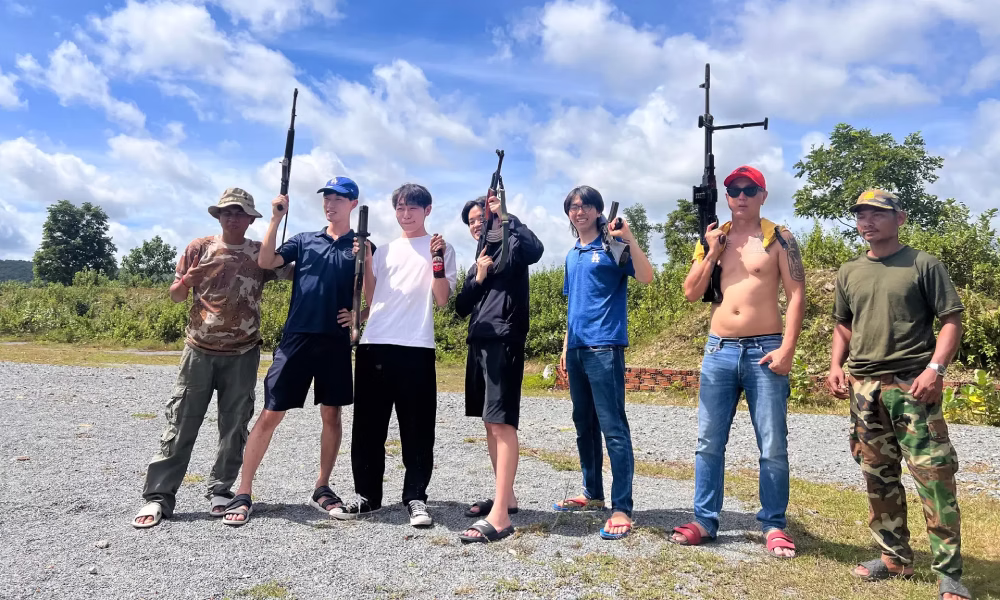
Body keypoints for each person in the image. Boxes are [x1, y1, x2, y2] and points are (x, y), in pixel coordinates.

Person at [827, 190, 970, 600]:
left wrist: (935, 369)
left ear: (900, 218)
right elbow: (843, 325)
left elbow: (950, 321)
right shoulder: (850, 270)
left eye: (877, 214)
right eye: (861, 214)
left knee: (934, 478)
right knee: (878, 477)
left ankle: (949, 572)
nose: (867, 221)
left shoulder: (923, 264)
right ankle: (894, 557)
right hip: (864, 390)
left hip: (912, 385)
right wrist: (837, 367)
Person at [671, 165, 805, 558]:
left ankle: (774, 524)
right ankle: (705, 520)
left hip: (765, 348)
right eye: (734, 189)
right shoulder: (715, 237)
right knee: (709, 442)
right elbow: (691, 293)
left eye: (750, 189)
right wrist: (712, 251)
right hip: (719, 349)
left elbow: (797, 295)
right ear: (726, 197)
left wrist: (788, 349)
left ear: (763, 195)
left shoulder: (780, 238)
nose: (741, 196)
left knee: (772, 443)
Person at [133, 188, 284, 528]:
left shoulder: (260, 254)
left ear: (250, 219)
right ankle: (159, 496)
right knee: (181, 422)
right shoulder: (199, 248)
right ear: (219, 216)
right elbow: (175, 296)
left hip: (243, 353)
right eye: (227, 212)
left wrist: (279, 219)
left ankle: (221, 490)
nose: (233, 217)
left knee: (234, 426)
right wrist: (188, 279)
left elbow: (293, 271)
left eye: (240, 213)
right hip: (198, 351)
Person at [222, 177, 364, 526]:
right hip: (297, 338)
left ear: (353, 205)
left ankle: (323, 487)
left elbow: (368, 287)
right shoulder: (304, 240)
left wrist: (361, 314)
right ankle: (244, 491)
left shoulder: (360, 246)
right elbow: (268, 260)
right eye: (327, 198)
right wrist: (274, 218)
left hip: (334, 341)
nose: (330, 204)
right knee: (271, 413)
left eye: (339, 199)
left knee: (332, 415)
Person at [330, 183, 457, 528]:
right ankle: (367, 496)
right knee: (369, 425)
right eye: (400, 208)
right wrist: (368, 260)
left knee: (417, 427)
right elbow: (373, 298)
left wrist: (438, 262)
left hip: (417, 345)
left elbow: (442, 298)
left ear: (427, 210)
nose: (406, 215)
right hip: (375, 343)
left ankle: (415, 496)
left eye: (413, 208)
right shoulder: (383, 250)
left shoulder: (440, 248)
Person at [554, 185, 654, 540]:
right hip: (578, 348)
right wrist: (566, 347)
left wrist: (629, 239)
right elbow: (573, 305)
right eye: (573, 207)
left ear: (598, 211)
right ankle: (592, 492)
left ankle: (622, 506)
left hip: (605, 347)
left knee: (613, 426)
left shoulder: (611, 246)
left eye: (586, 206)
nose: (579, 211)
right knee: (583, 422)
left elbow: (646, 276)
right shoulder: (572, 255)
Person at [455, 192, 544, 543]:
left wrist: (508, 217)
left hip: (503, 338)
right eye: (472, 221)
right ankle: (506, 497)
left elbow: (536, 250)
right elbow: (461, 306)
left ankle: (501, 517)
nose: (477, 223)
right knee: (490, 423)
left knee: (501, 420)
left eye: (482, 217)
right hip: (478, 340)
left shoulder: (514, 245)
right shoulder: (482, 256)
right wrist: (478, 277)